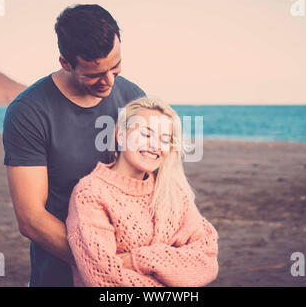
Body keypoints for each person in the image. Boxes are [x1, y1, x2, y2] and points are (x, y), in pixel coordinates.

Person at [2, 4, 146, 287]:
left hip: (134, 274)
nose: (108, 82)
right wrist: (105, 265)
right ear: (65, 63)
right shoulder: (28, 111)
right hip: (60, 276)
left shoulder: (134, 99)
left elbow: (156, 186)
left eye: (115, 67)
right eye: (94, 74)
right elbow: (30, 217)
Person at [66, 97, 219, 286]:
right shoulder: (91, 193)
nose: (155, 146)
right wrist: (172, 272)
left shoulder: (173, 192)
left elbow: (207, 261)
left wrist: (141, 259)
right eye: (146, 135)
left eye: (164, 139)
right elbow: (104, 279)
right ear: (120, 135)